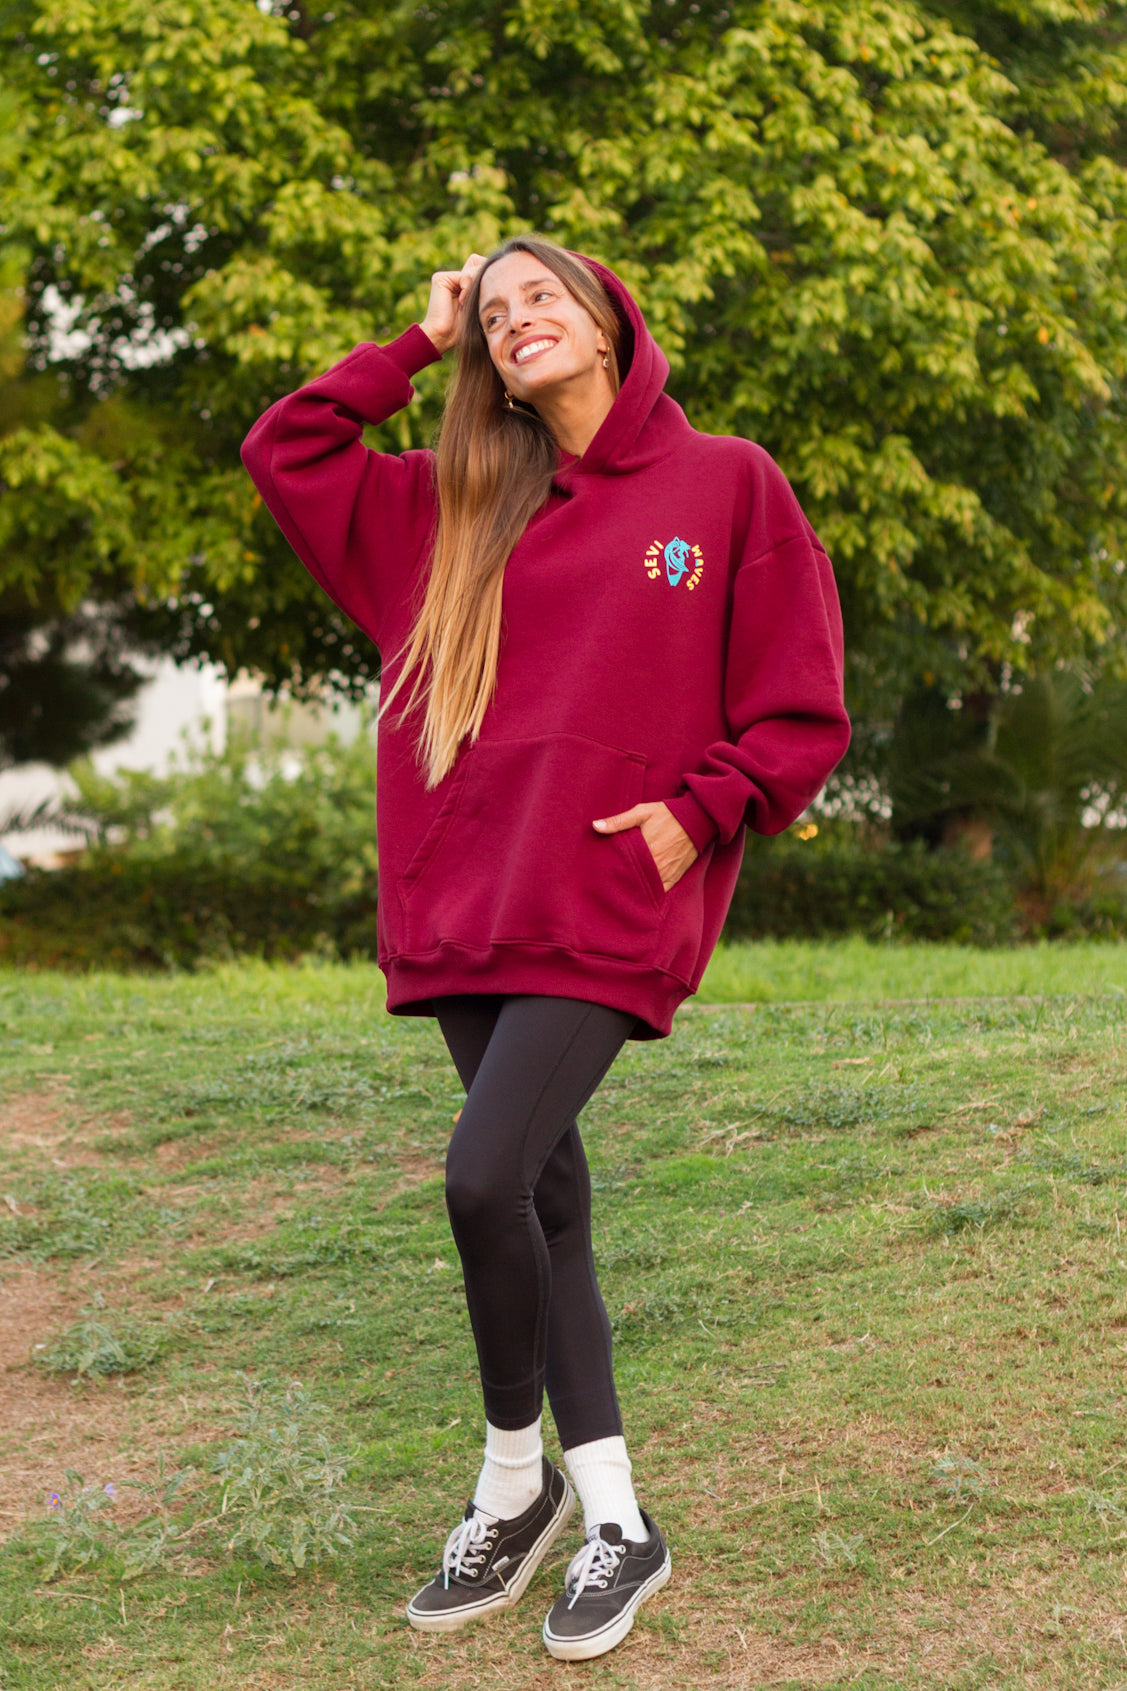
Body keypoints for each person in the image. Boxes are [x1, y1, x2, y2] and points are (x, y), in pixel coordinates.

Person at [241, 236, 850, 1661]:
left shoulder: (726, 485)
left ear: (606, 318)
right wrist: (416, 339)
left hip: (608, 897)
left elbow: (798, 710)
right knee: (547, 1205)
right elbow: (288, 446)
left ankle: (516, 1483)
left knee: (482, 1175)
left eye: (541, 298)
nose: (518, 320)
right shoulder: (451, 502)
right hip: (467, 907)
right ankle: (615, 1519)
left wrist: (694, 821)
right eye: (494, 309)